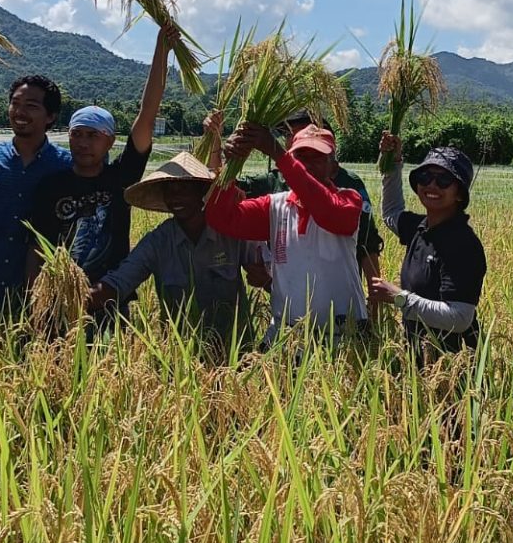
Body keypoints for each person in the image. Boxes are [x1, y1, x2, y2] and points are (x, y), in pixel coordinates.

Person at [26, 25, 175, 321]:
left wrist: (162, 49)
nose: (82, 143)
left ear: (109, 140)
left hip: (109, 300)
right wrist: (35, 302)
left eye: (92, 135)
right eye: (76, 134)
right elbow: (35, 248)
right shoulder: (51, 185)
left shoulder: (122, 177)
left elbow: (147, 113)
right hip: (59, 303)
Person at [87, 152, 264, 357]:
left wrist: (263, 277)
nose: (175, 197)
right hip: (180, 355)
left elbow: (266, 275)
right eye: (169, 191)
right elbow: (118, 283)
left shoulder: (232, 231)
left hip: (236, 353)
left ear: (202, 192)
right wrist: (73, 300)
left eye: (184, 189)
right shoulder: (158, 242)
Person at [206, 121, 367, 343]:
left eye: (317, 158)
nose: (308, 165)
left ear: (334, 167)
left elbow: (326, 211)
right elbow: (222, 219)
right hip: (286, 335)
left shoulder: (348, 200)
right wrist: (231, 165)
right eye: (301, 157)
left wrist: (277, 152)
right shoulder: (274, 206)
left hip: (341, 339)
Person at [0, 73, 71, 334]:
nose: (20, 112)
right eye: (15, 103)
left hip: (39, 296)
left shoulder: (65, 167)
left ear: (50, 116)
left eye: (31, 106)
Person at [240, 109, 384, 293]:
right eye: (288, 136)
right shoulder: (275, 181)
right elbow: (232, 201)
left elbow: (367, 243)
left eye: (301, 133)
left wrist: (375, 302)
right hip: (289, 303)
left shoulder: (349, 185)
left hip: (338, 300)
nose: (294, 139)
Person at [370, 134, 487, 359]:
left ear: (459, 194)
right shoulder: (420, 228)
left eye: (444, 180)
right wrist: (392, 163)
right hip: (418, 357)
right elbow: (392, 213)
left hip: (453, 366)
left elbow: (460, 317)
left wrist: (398, 297)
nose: (432, 185)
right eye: (425, 177)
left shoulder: (463, 244)